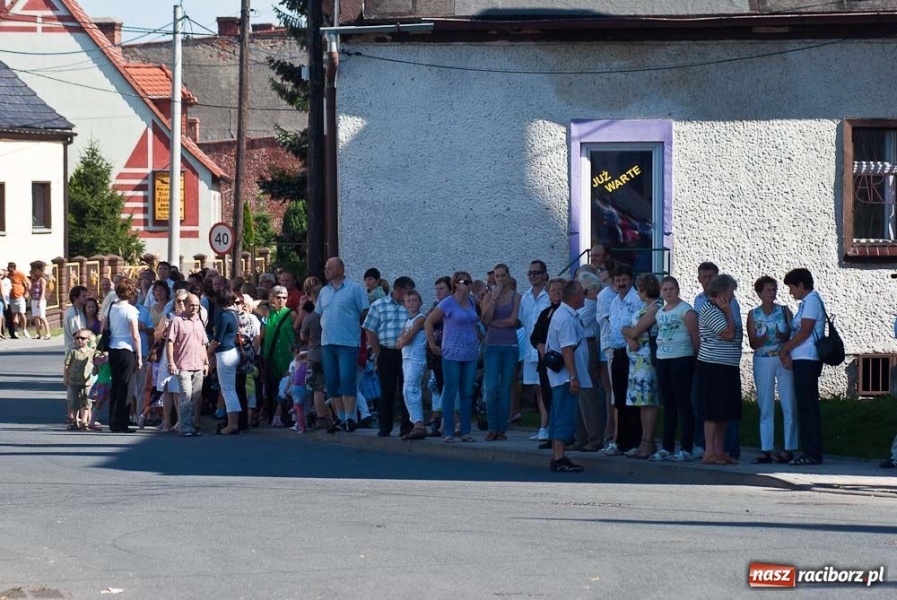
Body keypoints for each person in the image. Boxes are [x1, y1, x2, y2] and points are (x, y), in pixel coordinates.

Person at [693, 262, 741, 460]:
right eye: (730, 291)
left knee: (724, 412)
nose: (732, 295)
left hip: (727, 367)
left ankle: (720, 451)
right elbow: (729, 334)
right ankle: (709, 451)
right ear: (721, 292)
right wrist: (729, 312)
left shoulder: (725, 307)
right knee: (712, 411)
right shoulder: (709, 309)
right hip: (713, 367)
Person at [747, 275, 797, 464]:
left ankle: (789, 447)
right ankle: (766, 448)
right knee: (765, 403)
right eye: (767, 290)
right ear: (759, 293)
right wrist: (765, 337)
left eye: (774, 289)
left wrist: (782, 336)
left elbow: (792, 335)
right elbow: (753, 342)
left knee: (788, 402)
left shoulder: (784, 311)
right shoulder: (754, 314)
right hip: (763, 359)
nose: (771, 293)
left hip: (782, 358)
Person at [425, 271, 480, 443]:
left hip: (470, 352)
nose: (468, 284)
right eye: (465, 281)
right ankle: (448, 430)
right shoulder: (447, 303)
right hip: (452, 352)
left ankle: (465, 431)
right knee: (450, 391)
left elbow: (477, 320)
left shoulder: (471, 301)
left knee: (466, 392)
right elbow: (429, 321)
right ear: (456, 283)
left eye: (470, 281)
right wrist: (433, 344)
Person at [779, 268, 826, 466]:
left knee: (808, 407)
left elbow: (805, 331)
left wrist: (784, 350)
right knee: (805, 405)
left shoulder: (812, 301)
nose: (791, 292)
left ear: (800, 285)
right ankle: (809, 449)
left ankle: (812, 452)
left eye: (792, 287)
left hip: (808, 359)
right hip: (801, 359)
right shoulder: (805, 303)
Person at [316, 258, 369, 432]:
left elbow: (365, 312)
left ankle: (350, 417)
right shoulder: (324, 291)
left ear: (340, 269)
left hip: (347, 342)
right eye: (325, 268)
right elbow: (319, 314)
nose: (326, 271)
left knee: (347, 380)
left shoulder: (355, 289)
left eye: (329, 268)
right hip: (328, 342)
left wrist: (353, 325)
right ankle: (340, 418)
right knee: (332, 383)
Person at [651, 277, 699, 462]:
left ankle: (687, 446)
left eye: (672, 288)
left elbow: (695, 336)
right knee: (668, 403)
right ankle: (667, 447)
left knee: (684, 402)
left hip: (682, 358)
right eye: (665, 289)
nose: (668, 292)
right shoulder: (659, 313)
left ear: (677, 290)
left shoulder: (686, 310)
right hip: (663, 358)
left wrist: (696, 357)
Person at [545, 279, 590, 473]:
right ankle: (559, 457)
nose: (585, 296)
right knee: (564, 414)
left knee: (558, 413)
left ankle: (558, 456)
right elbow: (567, 349)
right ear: (574, 296)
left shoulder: (564, 314)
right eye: (582, 293)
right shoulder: (565, 318)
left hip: (561, 376)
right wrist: (573, 377)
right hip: (564, 377)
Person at [364, 276, 415, 437]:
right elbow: (369, 329)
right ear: (399, 290)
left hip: (407, 353)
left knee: (407, 389)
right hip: (387, 351)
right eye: (408, 291)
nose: (411, 295)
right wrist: (378, 353)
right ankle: (385, 426)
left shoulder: (410, 306)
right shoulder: (379, 305)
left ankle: (407, 425)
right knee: (387, 390)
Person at [621, 274, 662, 459]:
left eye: (639, 288)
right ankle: (643, 441)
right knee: (641, 403)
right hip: (637, 361)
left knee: (649, 401)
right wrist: (629, 337)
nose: (637, 292)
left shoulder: (655, 308)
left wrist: (630, 334)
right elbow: (624, 328)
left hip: (647, 361)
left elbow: (636, 330)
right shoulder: (643, 308)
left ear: (644, 290)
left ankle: (648, 441)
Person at [480, 263, 521, 441]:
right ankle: (492, 427)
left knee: (505, 388)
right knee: (491, 388)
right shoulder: (489, 296)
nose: (500, 279)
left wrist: (494, 323)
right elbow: (485, 319)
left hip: (510, 345)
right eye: (497, 276)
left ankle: (501, 429)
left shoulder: (516, 296)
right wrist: (494, 300)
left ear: (508, 276)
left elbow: (513, 321)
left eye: (503, 275)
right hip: (492, 346)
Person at [607, 263, 643, 454]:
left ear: (631, 280)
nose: (621, 283)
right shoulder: (614, 302)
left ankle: (635, 441)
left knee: (633, 398)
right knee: (619, 398)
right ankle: (621, 441)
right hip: (617, 353)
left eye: (624, 280)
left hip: (633, 353)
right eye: (617, 280)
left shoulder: (637, 300)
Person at [166, 293, 209, 437]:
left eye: (197, 305)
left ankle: (191, 425)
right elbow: (170, 342)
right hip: (183, 365)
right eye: (192, 305)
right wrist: (171, 362)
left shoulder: (199, 321)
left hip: (198, 364)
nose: (194, 308)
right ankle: (184, 428)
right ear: (185, 304)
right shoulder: (176, 321)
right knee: (186, 396)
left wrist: (206, 362)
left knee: (194, 397)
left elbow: (203, 343)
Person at [530, 278, 565, 448]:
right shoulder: (546, 313)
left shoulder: (566, 312)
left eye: (560, 290)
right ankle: (551, 436)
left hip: (561, 363)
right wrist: (540, 346)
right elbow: (534, 336)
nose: (557, 293)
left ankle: (562, 437)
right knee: (548, 398)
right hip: (546, 362)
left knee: (560, 400)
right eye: (553, 290)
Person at [105, 278, 142, 433]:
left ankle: (113, 422)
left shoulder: (111, 306)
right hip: (126, 349)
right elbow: (135, 335)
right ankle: (122, 423)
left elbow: (104, 326)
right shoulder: (131, 310)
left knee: (115, 386)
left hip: (112, 349)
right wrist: (139, 356)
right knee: (126, 387)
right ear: (131, 292)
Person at [573, 270, 604, 452]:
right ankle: (581, 436)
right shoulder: (583, 305)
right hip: (577, 345)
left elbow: (577, 321)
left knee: (587, 392)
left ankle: (594, 437)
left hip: (588, 344)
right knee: (577, 392)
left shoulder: (592, 304)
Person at [520, 260, 550, 436]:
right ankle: (543, 426)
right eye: (530, 273)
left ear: (544, 274)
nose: (532, 276)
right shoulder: (526, 296)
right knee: (537, 388)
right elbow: (524, 320)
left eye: (536, 273)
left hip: (546, 349)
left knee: (546, 387)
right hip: (531, 349)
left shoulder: (549, 295)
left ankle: (548, 425)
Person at [261, 285, 299, 426]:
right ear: (272, 298)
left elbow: (299, 333)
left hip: (287, 355)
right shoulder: (268, 314)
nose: (282, 300)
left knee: (285, 387)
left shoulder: (291, 314)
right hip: (271, 356)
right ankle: (271, 416)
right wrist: (267, 300)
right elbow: (251, 304)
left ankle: (285, 417)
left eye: (284, 297)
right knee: (271, 386)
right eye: (278, 297)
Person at [208, 288, 241, 435]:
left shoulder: (224, 316)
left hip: (225, 354)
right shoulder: (234, 314)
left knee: (228, 390)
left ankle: (232, 424)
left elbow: (217, 340)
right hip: (233, 352)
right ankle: (233, 421)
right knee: (230, 389)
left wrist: (207, 353)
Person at [396, 289, 428, 440]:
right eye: (409, 301)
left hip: (416, 359)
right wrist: (402, 340)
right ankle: (416, 422)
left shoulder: (420, 319)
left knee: (410, 390)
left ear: (420, 303)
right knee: (408, 391)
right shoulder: (408, 320)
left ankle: (419, 423)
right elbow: (399, 342)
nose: (412, 303)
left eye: (415, 300)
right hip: (406, 359)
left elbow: (407, 339)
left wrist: (403, 340)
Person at [300, 286, 329, 430]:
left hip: (315, 353)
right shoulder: (328, 313)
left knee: (317, 388)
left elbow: (302, 335)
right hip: (330, 352)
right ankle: (338, 415)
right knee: (334, 387)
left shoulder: (311, 316)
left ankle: (321, 417)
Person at [64, 328, 95, 430]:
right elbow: (66, 365)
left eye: (82, 338)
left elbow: (96, 364)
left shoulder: (91, 352)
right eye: (77, 338)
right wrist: (66, 377)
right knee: (74, 401)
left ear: (88, 340)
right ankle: (75, 420)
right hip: (74, 380)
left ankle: (85, 421)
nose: (79, 340)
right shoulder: (73, 352)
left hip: (87, 381)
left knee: (86, 400)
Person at [7, 262, 30, 339]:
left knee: (22, 313)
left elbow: (28, 283)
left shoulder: (20, 274)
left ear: (14, 268)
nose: (10, 271)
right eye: (8, 269)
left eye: (11, 270)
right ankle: (16, 331)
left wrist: (27, 293)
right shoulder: (8, 275)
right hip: (12, 298)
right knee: (14, 314)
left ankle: (24, 329)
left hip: (20, 297)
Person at [63, 286, 88, 351]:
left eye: (86, 296)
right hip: (75, 352)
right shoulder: (73, 314)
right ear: (75, 298)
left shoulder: (79, 311)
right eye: (83, 296)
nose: (86, 298)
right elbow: (78, 334)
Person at [29, 264, 50, 339]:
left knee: (42, 316)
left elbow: (43, 291)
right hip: (34, 299)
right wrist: (32, 279)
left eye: (36, 271)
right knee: (35, 317)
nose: (35, 272)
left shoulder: (42, 280)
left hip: (41, 300)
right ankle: (38, 333)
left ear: (40, 271)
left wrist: (40, 301)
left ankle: (48, 333)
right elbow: (30, 290)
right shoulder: (34, 280)